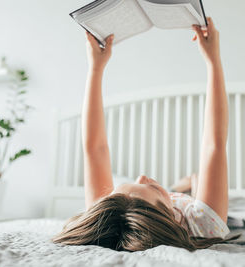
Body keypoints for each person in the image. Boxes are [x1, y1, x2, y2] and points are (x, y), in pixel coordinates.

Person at [52, 17, 230, 252]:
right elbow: (214, 145)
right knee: (200, 194)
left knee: (179, 188)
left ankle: (181, 185)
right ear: (172, 216)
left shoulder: (108, 214)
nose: (143, 176)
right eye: (153, 188)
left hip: (170, 201)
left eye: (123, 185)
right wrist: (212, 61)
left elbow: (95, 150)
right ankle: (189, 186)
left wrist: (95, 67)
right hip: (189, 208)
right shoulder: (204, 223)